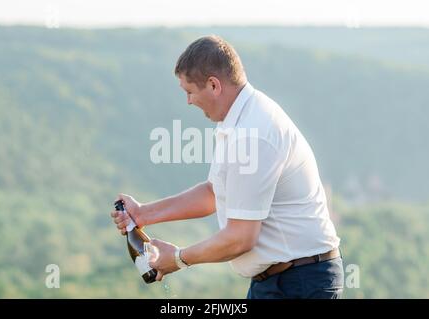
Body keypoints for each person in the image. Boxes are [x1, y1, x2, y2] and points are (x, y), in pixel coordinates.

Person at [110, 35, 344, 299]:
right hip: (276, 280)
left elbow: (241, 237)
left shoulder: (253, 134)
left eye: (189, 91)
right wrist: (143, 213)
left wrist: (177, 258)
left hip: (300, 282)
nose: (188, 101)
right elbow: (214, 193)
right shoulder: (236, 121)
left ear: (213, 85)